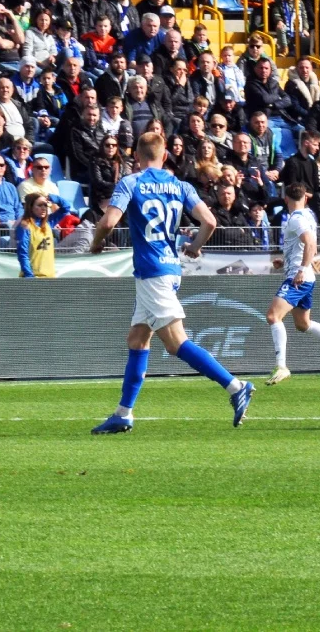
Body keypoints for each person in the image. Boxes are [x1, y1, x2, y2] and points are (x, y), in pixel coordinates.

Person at [89, 133, 255, 435]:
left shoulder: (131, 182)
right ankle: (123, 413)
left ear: (137, 157)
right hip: (169, 267)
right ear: (165, 156)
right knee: (137, 339)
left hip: (152, 271)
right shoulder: (180, 185)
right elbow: (210, 221)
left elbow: (108, 222)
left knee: (176, 342)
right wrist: (194, 246)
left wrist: (97, 243)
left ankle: (235, 386)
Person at [264, 181, 320, 385]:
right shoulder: (309, 215)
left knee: (273, 316)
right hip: (305, 276)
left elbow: (310, 242)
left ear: (286, 199)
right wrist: (286, 261)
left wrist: (301, 269)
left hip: (298, 278)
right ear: (306, 197)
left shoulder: (297, 218)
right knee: (303, 324)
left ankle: (281, 366)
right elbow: (309, 245)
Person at [15, 191, 71, 278]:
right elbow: (22, 253)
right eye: (39, 205)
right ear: (30, 207)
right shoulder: (25, 226)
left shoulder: (49, 222)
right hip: (33, 277)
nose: (44, 208)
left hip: (50, 277)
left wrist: (53, 197)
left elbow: (66, 207)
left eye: (45, 205)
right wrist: (29, 275)